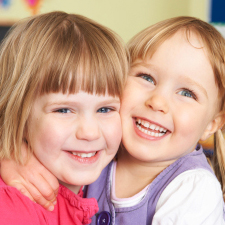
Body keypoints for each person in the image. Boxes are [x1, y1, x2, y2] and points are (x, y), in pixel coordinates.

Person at [1, 16, 225, 225]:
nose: (158, 102)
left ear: (212, 124)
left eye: (187, 93)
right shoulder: (94, 149)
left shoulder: (195, 190)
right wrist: (11, 153)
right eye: (146, 77)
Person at [0, 11, 128, 225]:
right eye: (64, 110)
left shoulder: (111, 172)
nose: (89, 132)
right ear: (18, 114)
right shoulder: (12, 210)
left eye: (105, 109)